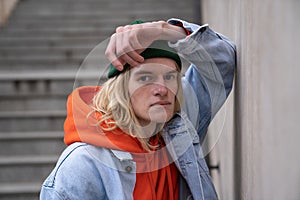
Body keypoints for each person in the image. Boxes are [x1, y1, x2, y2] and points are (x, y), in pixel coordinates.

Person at [40, 18, 236, 200]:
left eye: (170, 77)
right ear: (121, 89)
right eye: (145, 78)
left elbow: (222, 61)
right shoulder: (83, 165)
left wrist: (164, 31)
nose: (162, 90)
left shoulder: (179, 126)